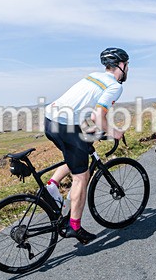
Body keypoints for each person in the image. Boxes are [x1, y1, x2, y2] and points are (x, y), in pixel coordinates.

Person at [43, 47, 129, 244]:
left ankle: (52, 187)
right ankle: (74, 226)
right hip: (66, 125)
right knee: (81, 176)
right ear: (122, 65)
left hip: (50, 120)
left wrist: (88, 129)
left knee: (76, 153)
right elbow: (97, 115)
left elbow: (79, 106)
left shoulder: (93, 76)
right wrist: (114, 132)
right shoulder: (115, 86)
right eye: (127, 65)